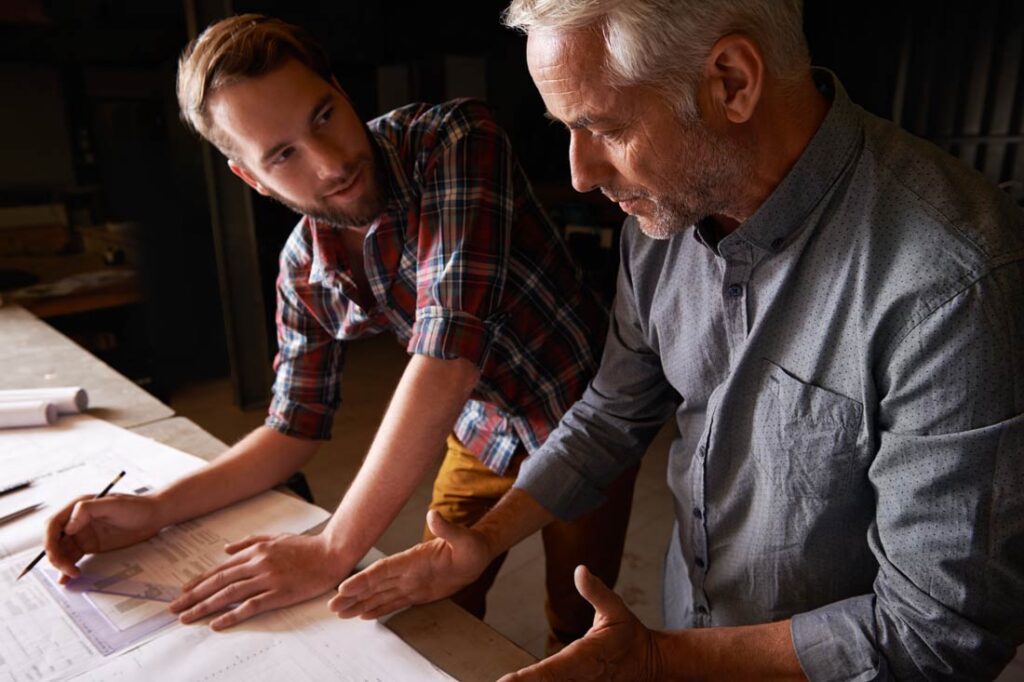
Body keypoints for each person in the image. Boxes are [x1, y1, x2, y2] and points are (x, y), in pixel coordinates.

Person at [333, 0, 1024, 678]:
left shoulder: (953, 281)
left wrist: (659, 659)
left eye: (602, 127)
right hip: (687, 617)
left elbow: (940, 631)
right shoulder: (662, 220)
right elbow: (612, 415)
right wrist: (482, 541)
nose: (580, 174)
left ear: (731, 82)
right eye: (566, 129)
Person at [41, 13, 639, 652]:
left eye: (323, 115)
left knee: (577, 614)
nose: (330, 165)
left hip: (584, 414)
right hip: (479, 430)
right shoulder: (304, 267)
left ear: (341, 90)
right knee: (434, 598)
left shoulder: (455, 140)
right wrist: (157, 509)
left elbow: (448, 351)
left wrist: (333, 547)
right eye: (282, 154)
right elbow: (291, 426)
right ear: (251, 177)